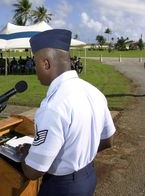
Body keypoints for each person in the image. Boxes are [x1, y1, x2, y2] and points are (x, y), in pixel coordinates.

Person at [17, 29, 116, 196]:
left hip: (62, 188)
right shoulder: (93, 91)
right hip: (88, 177)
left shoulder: (53, 106)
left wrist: (25, 153)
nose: (35, 70)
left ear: (45, 64)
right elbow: (107, 140)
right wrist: (79, 154)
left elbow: (34, 171)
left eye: (35, 63)